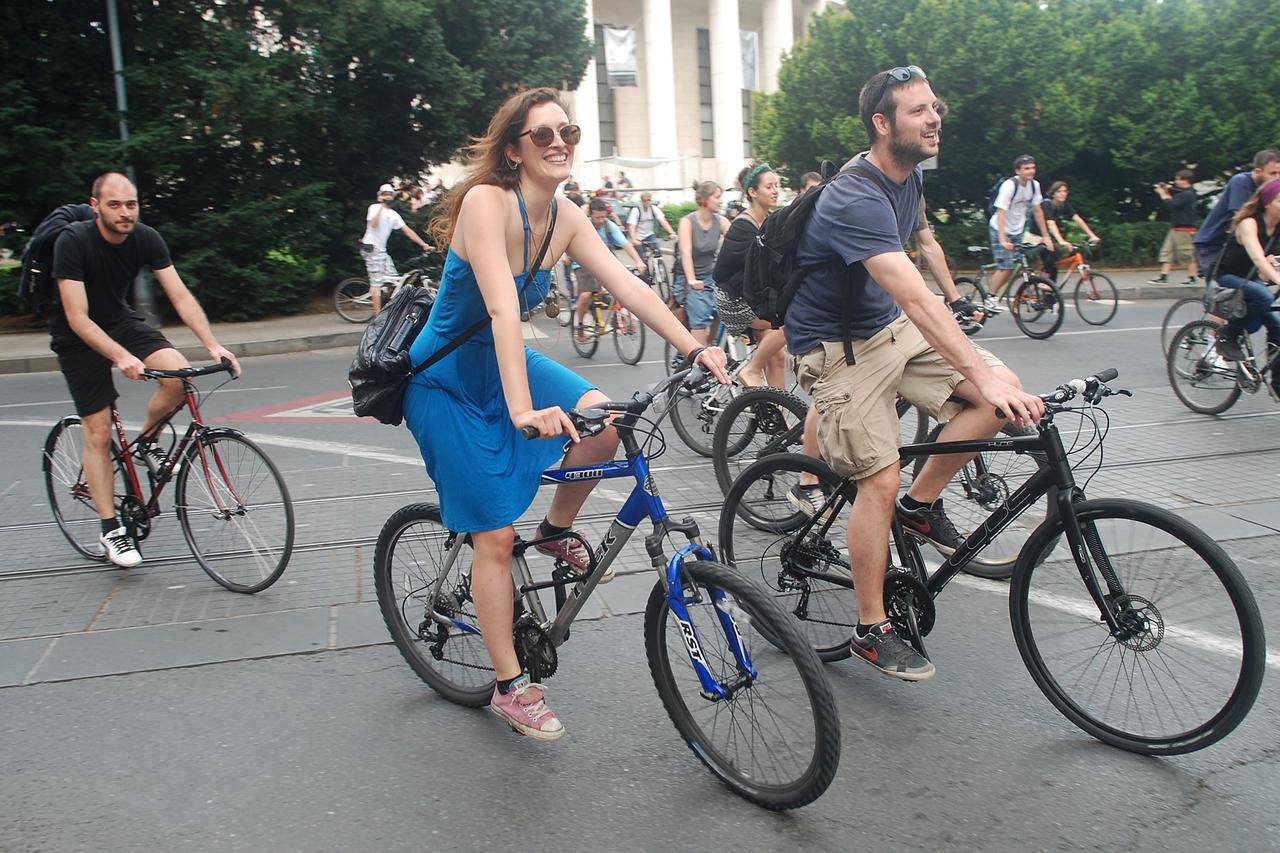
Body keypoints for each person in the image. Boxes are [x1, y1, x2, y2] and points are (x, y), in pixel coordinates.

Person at [412, 88, 730, 740]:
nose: (560, 142)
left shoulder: (566, 217)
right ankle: (510, 686)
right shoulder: (486, 203)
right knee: (495, 535)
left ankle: (556, 530)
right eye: (543, 134)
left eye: (569, 131)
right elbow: (502, 308)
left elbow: (629, 285)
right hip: (444, 378)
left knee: (606, 419)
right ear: (514, 150)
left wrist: (693, 346)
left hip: (503, 363)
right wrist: (525, 410)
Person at [786, 66, 1043, 680]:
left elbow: (922, 267)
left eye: (936, 107)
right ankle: (870, 627)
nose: (935, 118)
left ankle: (920, 508)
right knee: (879, 477)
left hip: (887, 331)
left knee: (994, 402)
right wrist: (972, 363)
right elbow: (916, 298)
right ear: (883, 124)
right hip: (834, 347)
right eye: (918, 110)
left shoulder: (910, 180)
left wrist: (986, 375)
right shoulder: (854, 194)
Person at [50, 172, 242, 567]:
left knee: (179, 374)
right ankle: (111, 530)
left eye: (131, 204)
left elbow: (180, 295)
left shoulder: (146, 237)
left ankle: (147, 441)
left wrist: (213, 344)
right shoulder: (73, 241)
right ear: (96, 206)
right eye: (115, 205)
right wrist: (120, 356)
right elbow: (77, 317)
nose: (125, 213)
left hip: (120, 320)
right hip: (77, 335)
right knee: (99, 431)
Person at [1210, 179, 1280, 389]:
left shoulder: (1276, 227)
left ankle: (1277, 384)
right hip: (1227, 275)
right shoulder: (1249, 222)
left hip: (1251, 279)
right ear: (1267, 202)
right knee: (1265, 296)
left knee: (1278, 327)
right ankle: (1229, 334)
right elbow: (1258, 258)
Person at [1194, 149, 1280, 276]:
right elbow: (1241, 219)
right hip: (1214, 244)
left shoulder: (1272, 189)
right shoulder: (1241, 182)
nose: (1277, 178)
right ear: (1257, 171)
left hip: (1236, 247)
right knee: (1225, 286)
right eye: (1273, 173)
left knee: (1255, 289)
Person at [574, 197, 646, 342]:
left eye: (603, 217)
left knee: (622, 285)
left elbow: (625, 244)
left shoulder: (609, 226)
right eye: (597, 217)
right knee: (586, 294)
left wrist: (639, 261)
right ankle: (580, 327)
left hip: (604, 262)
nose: (601, 220)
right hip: (583, 263)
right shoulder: (583, 225)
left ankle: (619, 315)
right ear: (591, 214)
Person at [987, 155, 1054, 304]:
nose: (1031, 171)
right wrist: (1003, 238)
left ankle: (1024, 292)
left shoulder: (1034, 185)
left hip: (1018, 230)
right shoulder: (1010, 186)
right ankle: (990, 297)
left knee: (1031, 258)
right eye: (1026, 168)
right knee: (1006, 267)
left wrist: (1046, 236)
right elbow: (1001, 212)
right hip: (999, 228)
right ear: (1018, 171)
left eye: (1033, 168)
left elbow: (1037, 211)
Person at [360, 183, 431, 314]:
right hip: (371, 248)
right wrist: (381, 206)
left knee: (393, 279)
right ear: (380, 196)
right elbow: (373, 224)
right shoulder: (374, 208)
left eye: (389, 194)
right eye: (385, 194)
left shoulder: (393, 214)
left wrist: (423, 244)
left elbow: (408, 231)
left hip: (381, 251)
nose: (387, 196)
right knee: (377, 282)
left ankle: (387, 308)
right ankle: (377, 318)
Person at [675, 181, 729, 346]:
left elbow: (737, 241)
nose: (721, 201)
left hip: (710, 277)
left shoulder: (721, 221)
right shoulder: (688, 222)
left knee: (725, 309)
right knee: (700, 314)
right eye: (717, 197)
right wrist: (692, 280)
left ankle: (710, 344)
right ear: (705, 200)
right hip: (688, 279)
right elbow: (685, 251)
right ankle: (700, 351)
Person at [1030, 181, 1101, 282]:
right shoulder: (1046, 204)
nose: (1062, 194)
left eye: (1064, 191)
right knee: (1053, 252)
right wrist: (1061, 241)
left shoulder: (1064, 205)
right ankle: (1043, 281)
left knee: (1054, 263)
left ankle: (1051, 293)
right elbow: (1051, 223)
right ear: (1053, 194)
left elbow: (1077, 219)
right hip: (1034, 236)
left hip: (1047, 237)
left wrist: (1092, 235)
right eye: (1059, 191)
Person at [1150, 170, 1199, 285]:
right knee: (1167, 252)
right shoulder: (1183, 193)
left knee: (1187, 254)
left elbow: (1172, 205)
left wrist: (1162, 193)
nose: (1175, 181)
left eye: (1178, 179)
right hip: (1175, 228)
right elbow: (1174, 196)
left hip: (1184, 229)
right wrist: (1166, 190)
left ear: (1185, 180)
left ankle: (1192, 277)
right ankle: (1163, 276)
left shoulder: (1188, 194)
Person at [626, 191, 674, 269]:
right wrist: (634, 239)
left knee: (657, 253)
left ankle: (659, 271)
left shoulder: (654, 209)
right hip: (638, 237)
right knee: (642, 260)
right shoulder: (636, 210)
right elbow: (632, 226)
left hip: (649, 235)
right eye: (645, 200)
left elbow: (663, 221)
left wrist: (671, 232)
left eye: (649, 200)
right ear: (642, 201)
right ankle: (645, 276)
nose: (647, 202)